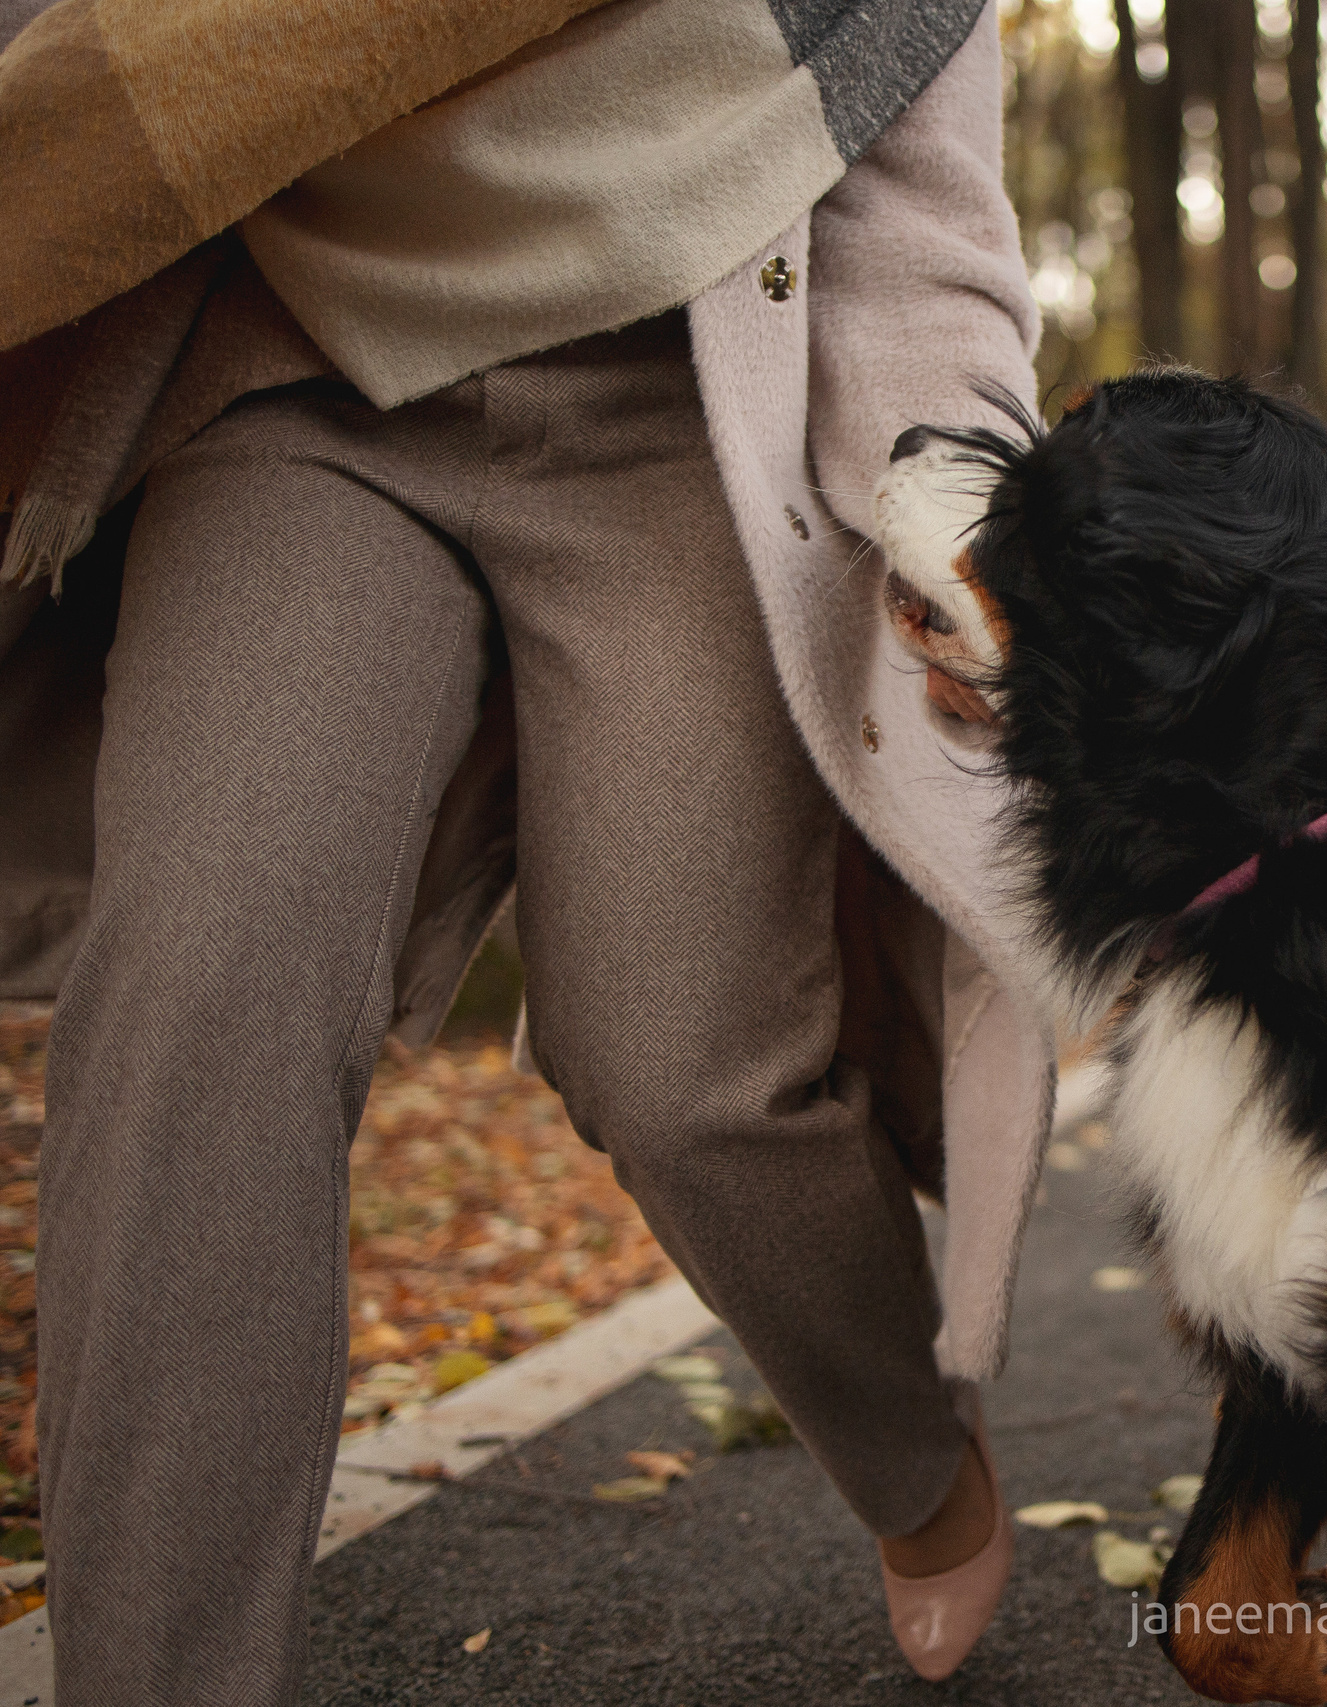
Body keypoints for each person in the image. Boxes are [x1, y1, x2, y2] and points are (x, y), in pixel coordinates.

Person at [0, 0, 1056, 1696]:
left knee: (685, 1071)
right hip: (294, 379)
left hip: (683, 412)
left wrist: (966, 502)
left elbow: (918, 223)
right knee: (201, 987)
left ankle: (917, 1464)